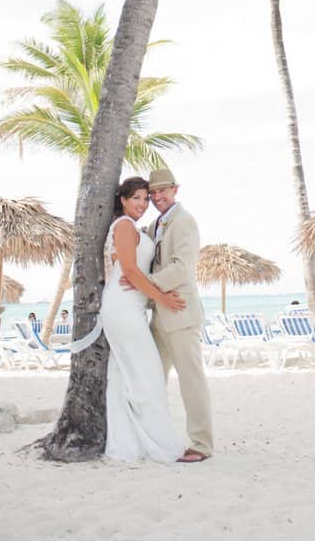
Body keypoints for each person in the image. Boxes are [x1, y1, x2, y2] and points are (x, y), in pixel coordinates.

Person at [100, 176, 187, 464]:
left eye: (145, 198)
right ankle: (158, 443)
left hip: (131, 306)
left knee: (125, 375)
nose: (142, 203)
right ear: (123, 200)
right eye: (135, 198)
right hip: (123, 307)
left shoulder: (135, 228)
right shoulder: (124, 225)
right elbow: (131, 272)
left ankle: (130, 443)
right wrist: (163, 298)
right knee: (148, 372)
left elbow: (130, 268)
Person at [144, 166, 214, 463]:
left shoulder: (184, 222)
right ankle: (152, 436)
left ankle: (201, 444)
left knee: (191, 381)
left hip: (180, 312)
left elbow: (182, 268)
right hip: (158, 314)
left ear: (175, 189)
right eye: (153, 192)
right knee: (151, 378)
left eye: (163, 190)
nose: (158, 196)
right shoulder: (154, 225)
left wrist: (143, 286)